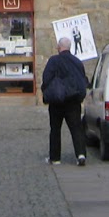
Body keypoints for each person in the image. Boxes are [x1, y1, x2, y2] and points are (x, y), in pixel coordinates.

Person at [41, 35, 89, 166]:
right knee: (76, 128)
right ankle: (81, 154)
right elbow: (83, 79)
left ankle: (55, 158)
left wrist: (46, 91)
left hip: (57, 101)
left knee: (55, 129)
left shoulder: (54, 61)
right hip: (73, 101)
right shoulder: (77, 62)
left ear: (59, 47)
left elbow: (46, 78)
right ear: (69, 47)